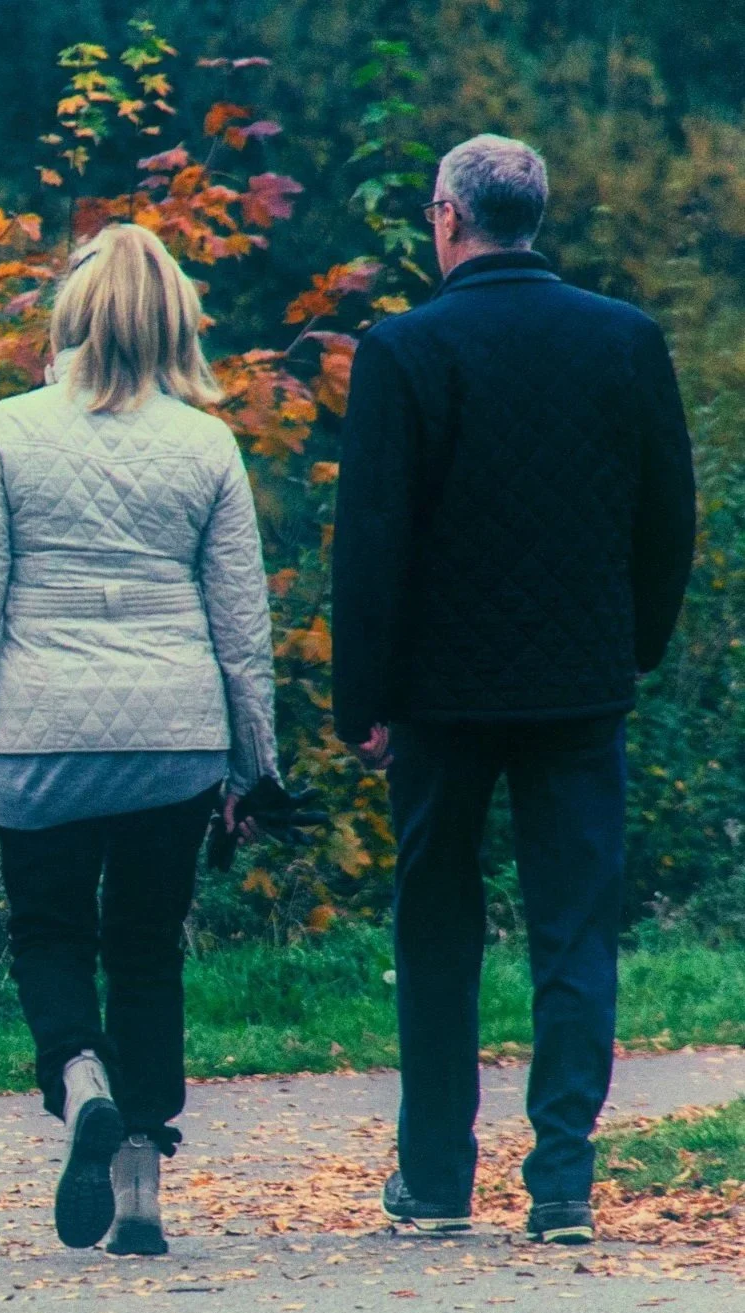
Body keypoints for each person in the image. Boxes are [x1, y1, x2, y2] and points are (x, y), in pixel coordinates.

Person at [332, 134, 695, 1245]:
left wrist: (364, 698)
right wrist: (628, 645)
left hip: (439, 694)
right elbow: (666, 518)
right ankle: (561, 1181)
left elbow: (371, 543)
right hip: (577, 687)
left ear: (446, 216)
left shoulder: (400, 350)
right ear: (532, 216)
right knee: (573, 929)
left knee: (436, 925)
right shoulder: (623, 340)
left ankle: (436, 1178)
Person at [0, 223, 279, 1254]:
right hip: (174, 739)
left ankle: (79, 1079)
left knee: (49, 934)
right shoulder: (207, 444)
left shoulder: (11, 430)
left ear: (68, 318)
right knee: (147, 950)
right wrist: (256, 767)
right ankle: (141, 1200)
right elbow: (242, 630)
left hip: (40, 738)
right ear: (170, 323)